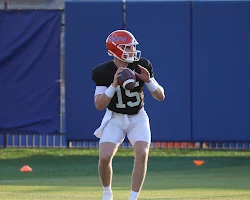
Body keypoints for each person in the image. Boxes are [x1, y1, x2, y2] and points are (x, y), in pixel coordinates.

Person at [92, 30, 165, 200]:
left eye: (133, 46)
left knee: (142, 153)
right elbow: (99, 105)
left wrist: (148, 81)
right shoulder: (103, 71)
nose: (132, 50)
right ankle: (107, 193)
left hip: (137, 117)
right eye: (128, 46)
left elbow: (161, 96)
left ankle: (133, 198)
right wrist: (114, 84)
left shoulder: (142, 65)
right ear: (116, 49)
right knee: (104, 157)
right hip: (114, 118)